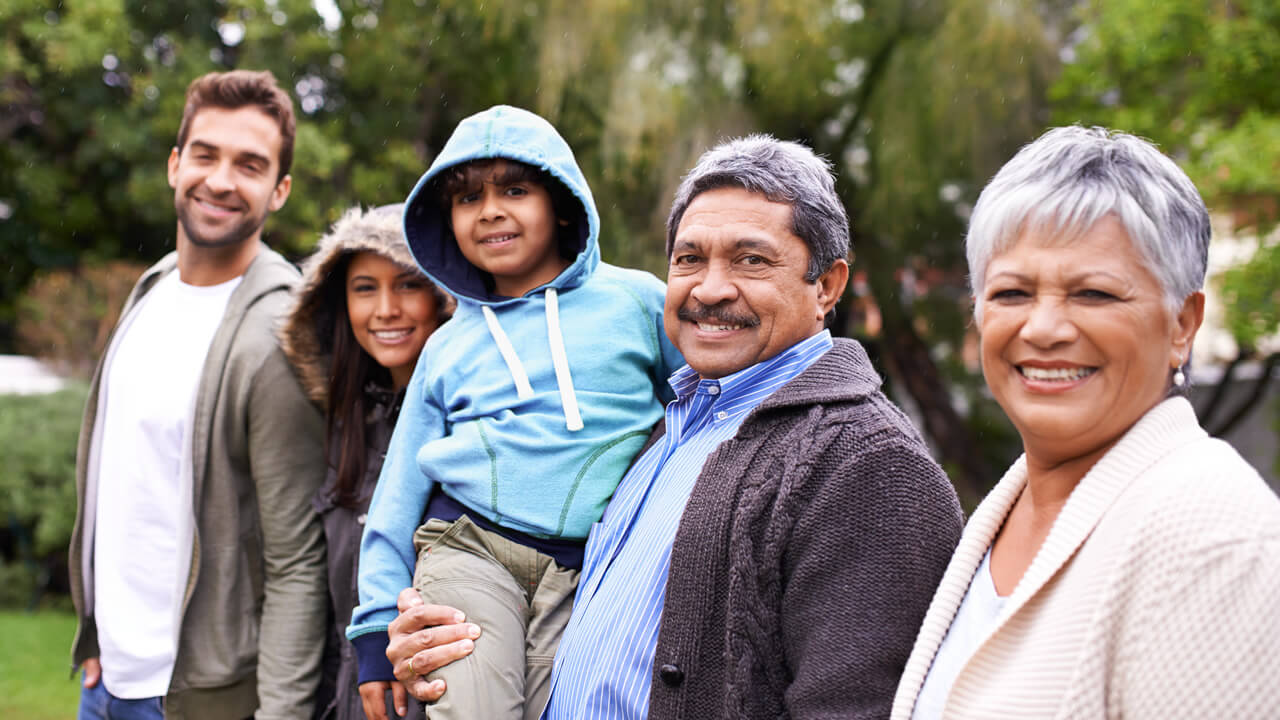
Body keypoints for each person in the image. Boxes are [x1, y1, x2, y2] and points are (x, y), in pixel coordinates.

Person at [387, 135, 964, 720]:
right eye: (689, 259)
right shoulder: (669, 426)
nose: (710, 288)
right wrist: (450, 640)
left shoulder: (869, 464)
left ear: (827, 287)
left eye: (751, 260)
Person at [891, 126, 1280, 719]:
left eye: (1094, 294)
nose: (1044, 328)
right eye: (1013, 293)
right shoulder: (1004, 515)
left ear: (1182, 324)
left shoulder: (1215, 539)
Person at [346, 105, 682, 719]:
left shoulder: (639, 303)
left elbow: (708, 406)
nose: (491, 210)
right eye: (468, 197)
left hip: (593, 567)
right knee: (473, 708)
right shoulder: (447, 345)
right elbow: (397, 491)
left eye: (515, 190)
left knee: (578, 708)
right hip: (468, 548)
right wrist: (373, 627)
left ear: (560, 204)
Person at [68, 70, 328, 720]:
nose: (220, 180)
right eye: (206, 155)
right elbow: (119, 479)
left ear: (280, 191)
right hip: (105, 683)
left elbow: (297, 560)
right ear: (175, 163)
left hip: (192, 702)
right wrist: (96, 635)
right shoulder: (151, 291)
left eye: (250, 164)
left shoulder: (277, 336)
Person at [279, 204, 453, 720]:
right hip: (346, 697)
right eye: (364, 288)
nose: (385, 310)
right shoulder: (342, 425)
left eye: (406, 285)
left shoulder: (464, 430)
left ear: (442, 296)